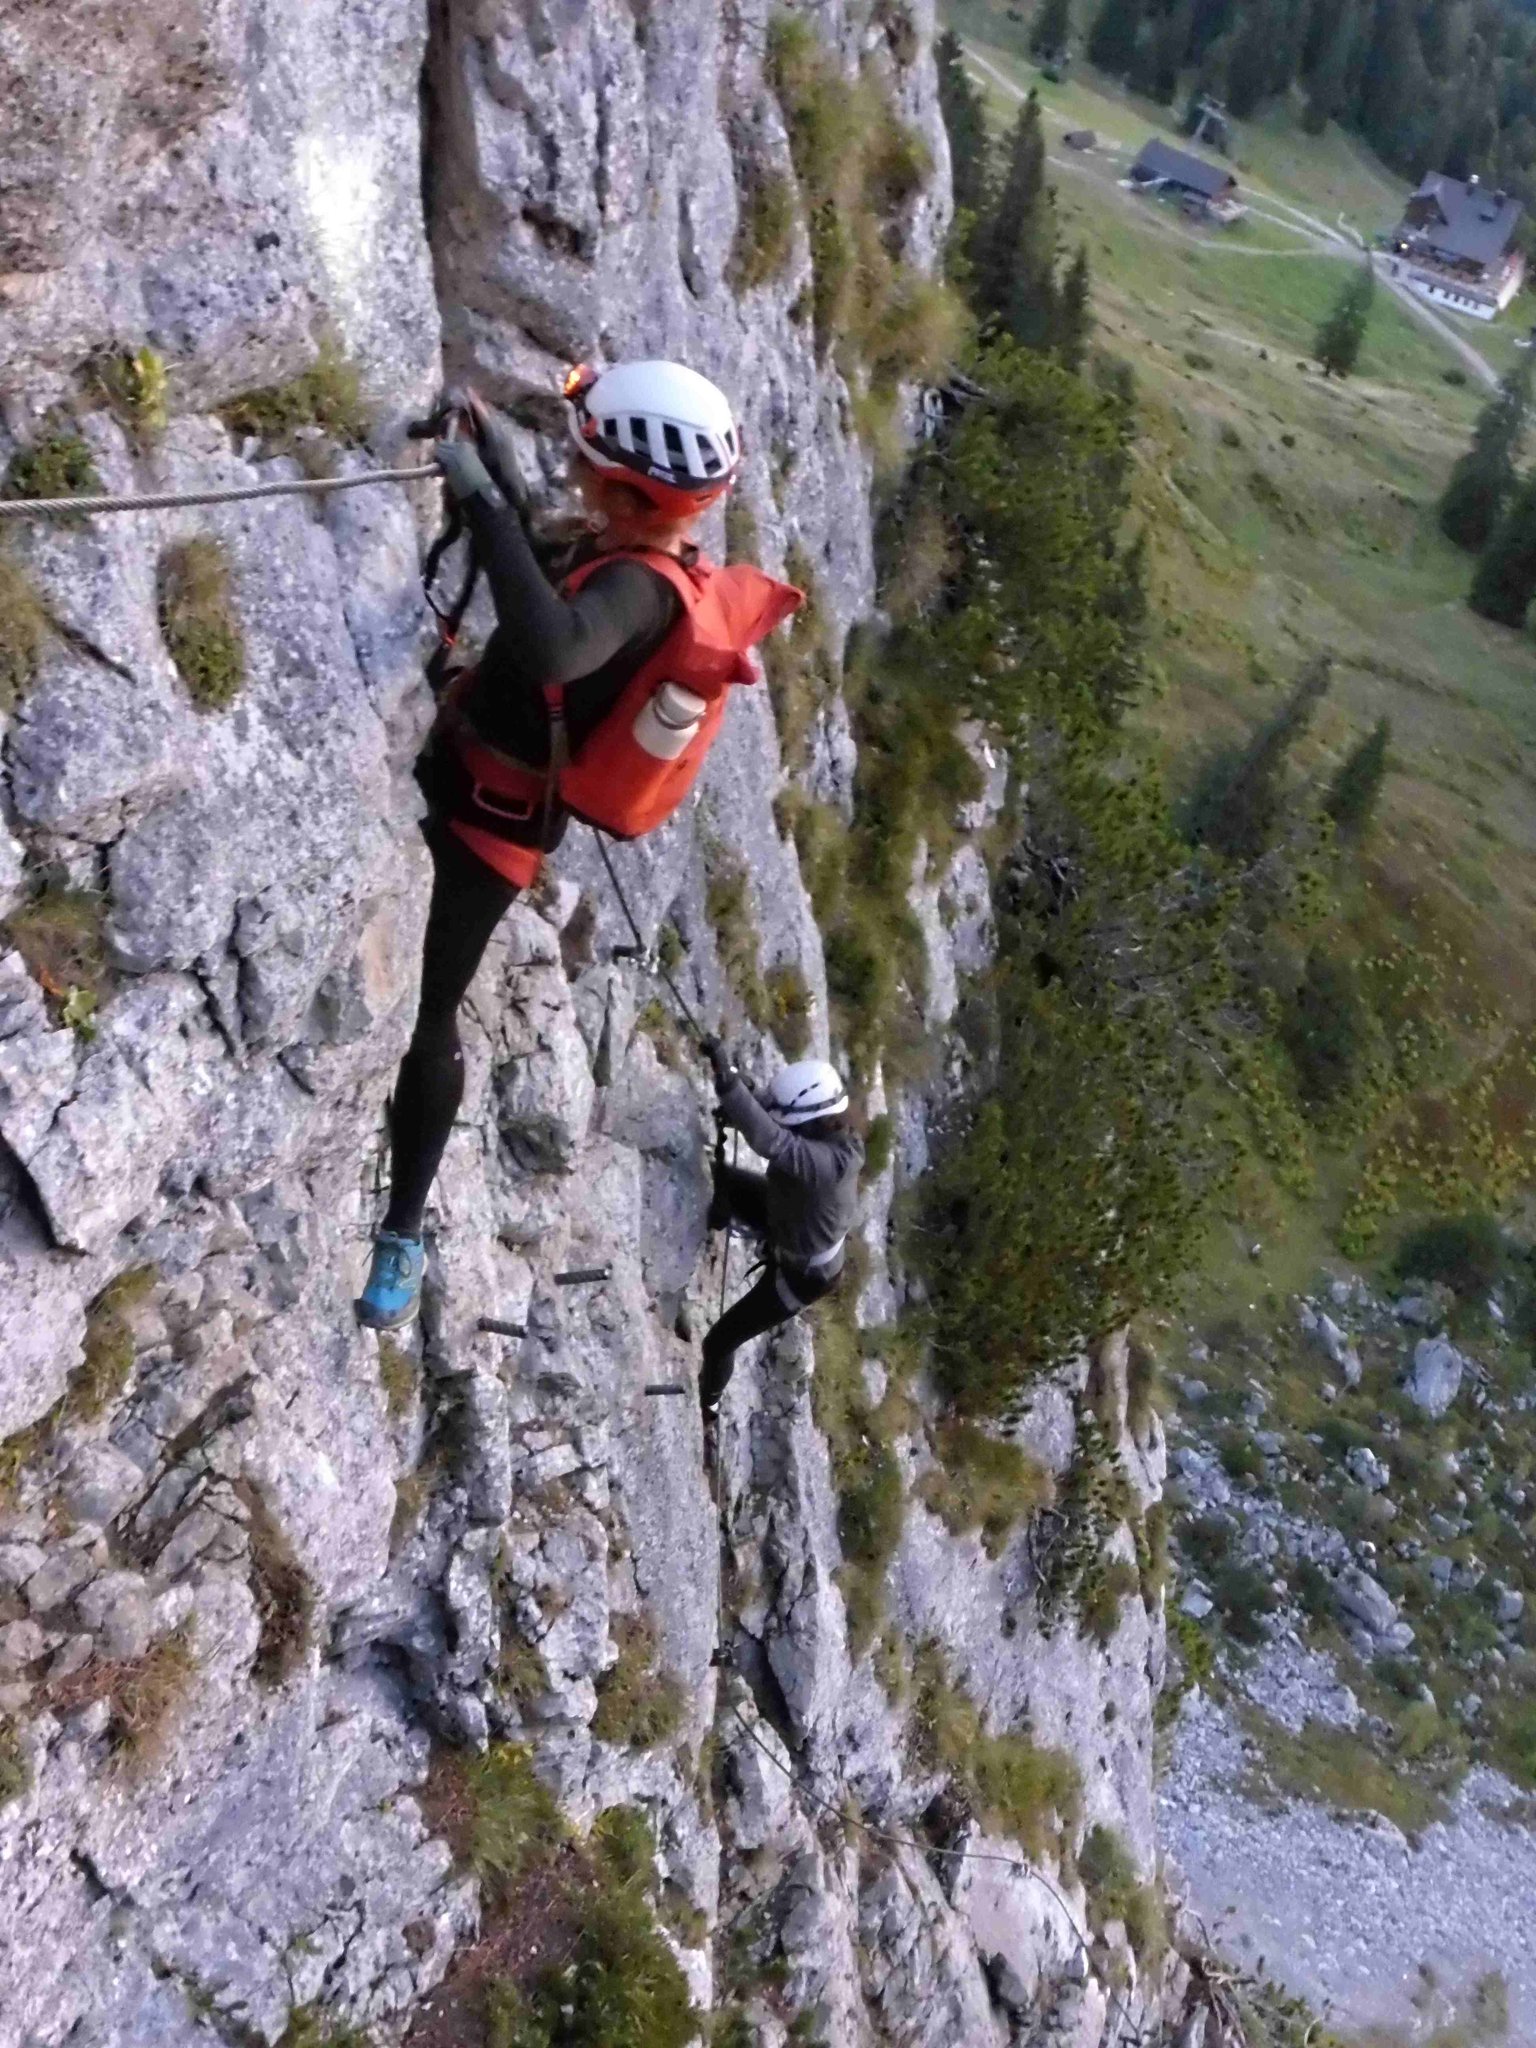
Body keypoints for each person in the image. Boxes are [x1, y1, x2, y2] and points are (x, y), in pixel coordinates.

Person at [357, 361, 800, 1328]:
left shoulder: (642, 589)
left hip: (492, 824)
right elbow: (543, 575)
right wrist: (498, 467)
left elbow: (557, 644)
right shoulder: (630, 549)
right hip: (465, 768)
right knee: (427, 998)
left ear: (628, 493)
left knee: (434, 1017)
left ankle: (403, 1228)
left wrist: (483, 500)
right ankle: (402, 1225)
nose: (573, 467)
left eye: (586, 460)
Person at [699, 1042, 864, 1431]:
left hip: (803, 1276)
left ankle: (709, 1405)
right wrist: (737, 1083)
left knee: (719, 1342)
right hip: (788, 1221)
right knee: (718, 1178)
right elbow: (775, 1115)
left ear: (813, 1120)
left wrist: (730, 1088)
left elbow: (771, 1139)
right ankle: (723, 1212)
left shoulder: (828, 1165)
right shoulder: (826, 1133)